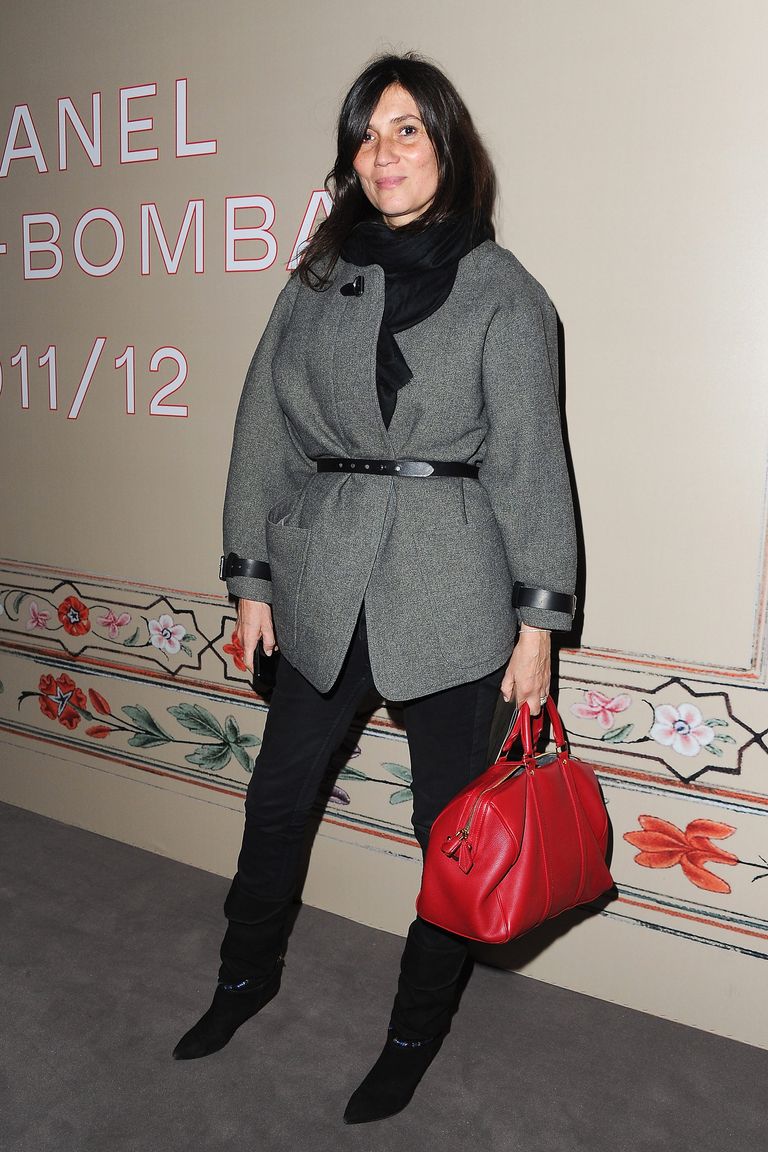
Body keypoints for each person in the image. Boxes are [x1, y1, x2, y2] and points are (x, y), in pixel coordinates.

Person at [172, 51, 577, 1124]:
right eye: (365, 134)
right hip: (323, 571)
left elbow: (532, 461)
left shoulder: (505, 292)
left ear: (447, 145)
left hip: (454, 588)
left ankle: (412, 1032)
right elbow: (262, 428)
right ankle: (242, 981)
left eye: (406, 130)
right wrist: (252, 577)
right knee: (276, 799)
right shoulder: (315, 282)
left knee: (451, 838)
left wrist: (538, 625)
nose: (382, 152)